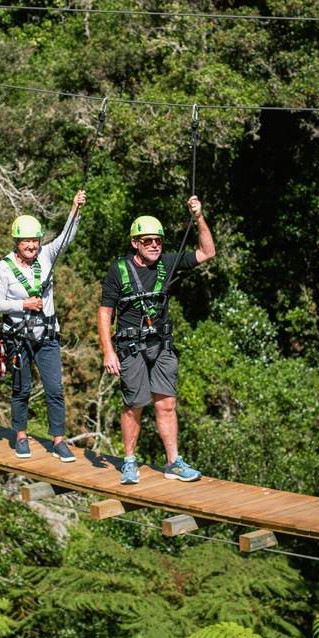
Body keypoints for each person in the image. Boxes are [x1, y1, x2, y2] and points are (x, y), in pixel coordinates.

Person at [98, 196, 215, 484]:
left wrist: (198, 217)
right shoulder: (120, 270)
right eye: (147, 240)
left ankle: (173, 462)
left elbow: (207, 252)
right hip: (130, 347)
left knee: (166, 404)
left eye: (158, 241)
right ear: (135, 243)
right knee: (134, 404)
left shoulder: (167, 263)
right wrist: (108, 352)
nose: (154, 245)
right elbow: (105, 313)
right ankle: (129, 461)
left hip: (161, 345)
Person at [0, 190, 86, 461]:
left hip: (46, 336)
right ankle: (20, 435)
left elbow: (67, 237)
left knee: (55, 389)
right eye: (26, 242)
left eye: (34, 240)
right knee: (22, 388)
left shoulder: (46, 255)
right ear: (17, 243)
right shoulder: (5, 268)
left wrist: (74, 209)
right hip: (18, 336)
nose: (32, 245)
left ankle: (58, 440)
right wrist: (23, 305)